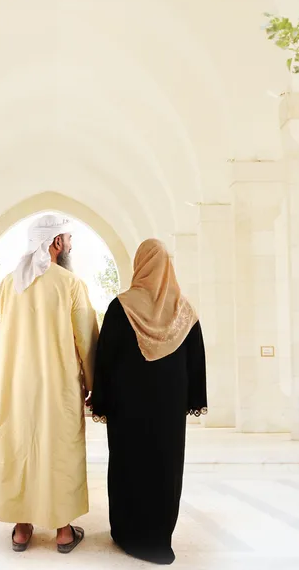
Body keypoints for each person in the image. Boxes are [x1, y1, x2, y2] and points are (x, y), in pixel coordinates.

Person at [90, 239, 207, 565]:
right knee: (164, 467)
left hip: (128, 408)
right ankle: (158, 535)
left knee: (129, 464)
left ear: (140, 265)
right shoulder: (184, 311)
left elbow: (106, 359)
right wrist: (189, 399)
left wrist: (101, 400)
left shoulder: (121, 307)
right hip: (167, 411)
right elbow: (195, 362)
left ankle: (127, 531)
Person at [0, 213, 99, 554]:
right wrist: (95, 383)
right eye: (68, 239)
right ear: (56, 243)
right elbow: (86, 339)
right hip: (58, 386)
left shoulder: (9, 284)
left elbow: (0, 336)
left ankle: (22, 528)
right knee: (59, 451)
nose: (70, 245)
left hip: (17, 386)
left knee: (21, 445)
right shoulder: (69, 284)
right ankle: (64, 531)